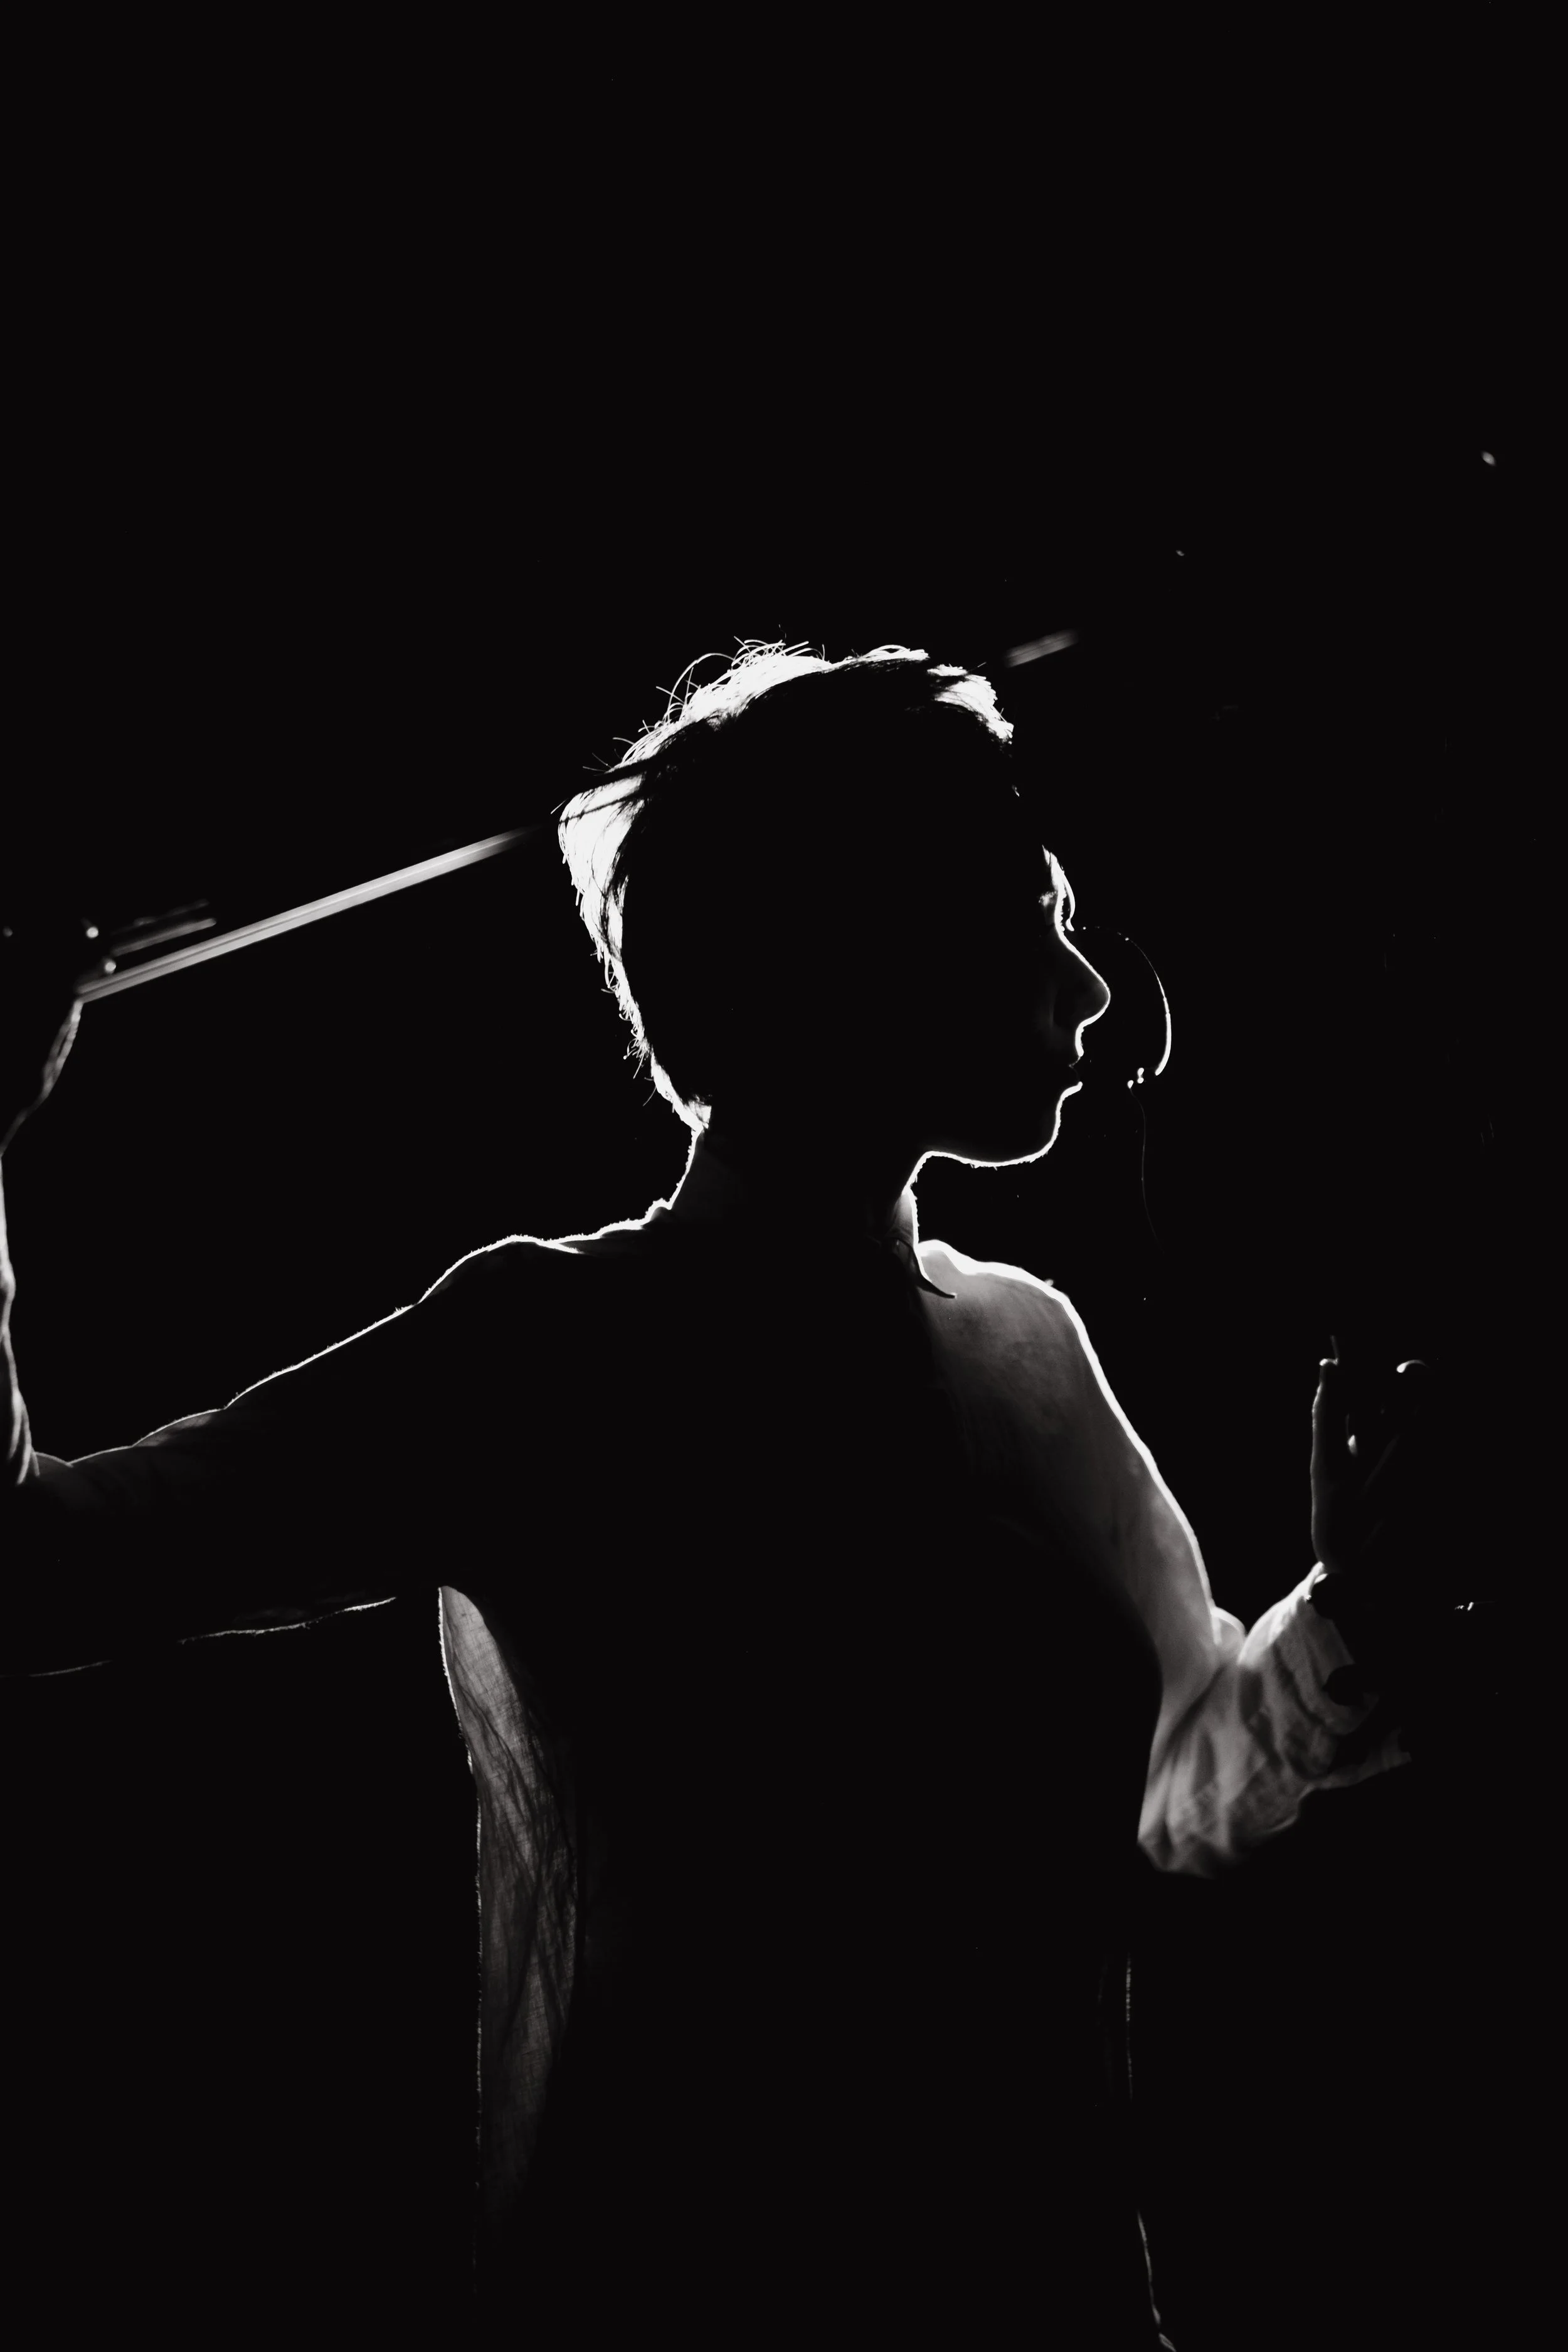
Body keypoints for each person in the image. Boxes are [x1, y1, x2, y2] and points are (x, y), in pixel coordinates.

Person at [1, 642, 1436, 2344]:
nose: (1090, 992)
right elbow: (35, 1573)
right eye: (1026, 913)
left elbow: (1178, 1784)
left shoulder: (1026, 1346)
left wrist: (1356, 1611)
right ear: (860, 949)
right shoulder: (540, 1355)